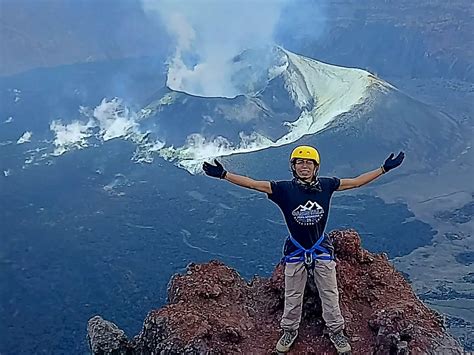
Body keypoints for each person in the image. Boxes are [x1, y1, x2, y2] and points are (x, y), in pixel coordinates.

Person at [202, 145, 405, 354]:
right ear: (293, 166)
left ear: (316, 167)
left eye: (309, 163)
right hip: (296, 250)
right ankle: (289, 330)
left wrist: (383, 169)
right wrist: (224, 175)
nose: (304, 166)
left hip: (320, 248)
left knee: (329, 292)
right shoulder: (283, 190)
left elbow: (355, 182)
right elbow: (253, 184)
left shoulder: (327, 185)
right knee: (293, 294)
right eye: (300, 162)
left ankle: (336, 331)